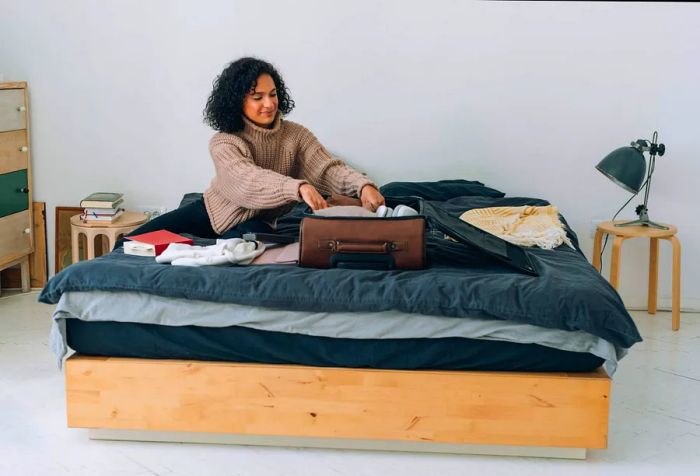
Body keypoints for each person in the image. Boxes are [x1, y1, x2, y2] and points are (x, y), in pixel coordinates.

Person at [118, 57, 385, 245]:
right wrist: (297, 188)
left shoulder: (296, 134)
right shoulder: (224, 142)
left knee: (243, 248)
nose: (268, 104)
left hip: (259, 224)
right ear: (237, 101)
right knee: (131, 243)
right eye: (257, 97)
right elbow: (247, 181)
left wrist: (362, 186)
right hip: (212, 215)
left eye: (273, 94)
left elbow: (327, 168)